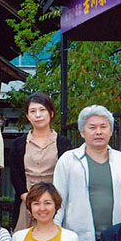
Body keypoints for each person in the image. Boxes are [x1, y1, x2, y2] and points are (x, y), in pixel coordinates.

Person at [53, 104, 121, 241]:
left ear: (110, 131)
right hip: (79, 237)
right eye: (92, 127)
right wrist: (55, 232)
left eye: (103, 127)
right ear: (82, 132)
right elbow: (58, 200)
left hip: (117, 236)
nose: (98, 132)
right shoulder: (68, 160)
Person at [8, 92, 73, 229]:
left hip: (55, 203)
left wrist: (50, 203)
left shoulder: (63, 143)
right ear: (27, 116)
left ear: (51, 113)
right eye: (33, 111)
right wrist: (29, 201)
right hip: (26, 203)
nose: (38, 115)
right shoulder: (18, 144)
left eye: (42, 110)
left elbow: (67, 175)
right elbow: (15, 176)